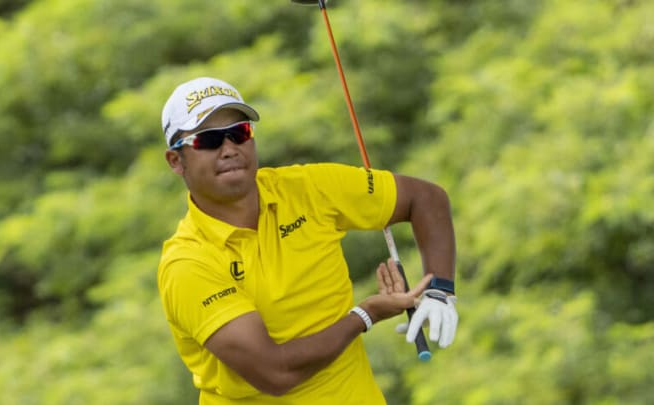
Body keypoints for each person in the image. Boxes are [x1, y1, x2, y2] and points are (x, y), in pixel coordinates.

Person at [157, 77, 458, 404]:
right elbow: (275, 372)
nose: (229, 149)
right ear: (176, 161)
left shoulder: (307, 188)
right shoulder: (186, 263)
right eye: (209, 140)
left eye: (239, 132)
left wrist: (440, 288)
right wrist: (365, 315)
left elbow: (425, 199)